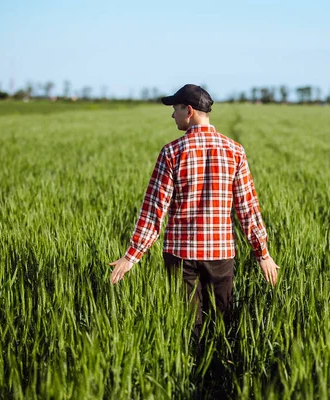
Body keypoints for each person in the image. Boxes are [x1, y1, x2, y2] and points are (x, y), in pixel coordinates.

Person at [109, 84, 280, 329]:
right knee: (221, 325)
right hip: (220, 255)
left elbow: (154, 209)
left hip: (180, 256)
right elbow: (247, 208)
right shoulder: (235, 151)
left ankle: (188, 364)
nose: (172, 115)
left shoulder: (171, 152)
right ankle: (220, 366)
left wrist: (131, 256)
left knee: (187, 328)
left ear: (189, 111)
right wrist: (262, 254)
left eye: (175, 109)